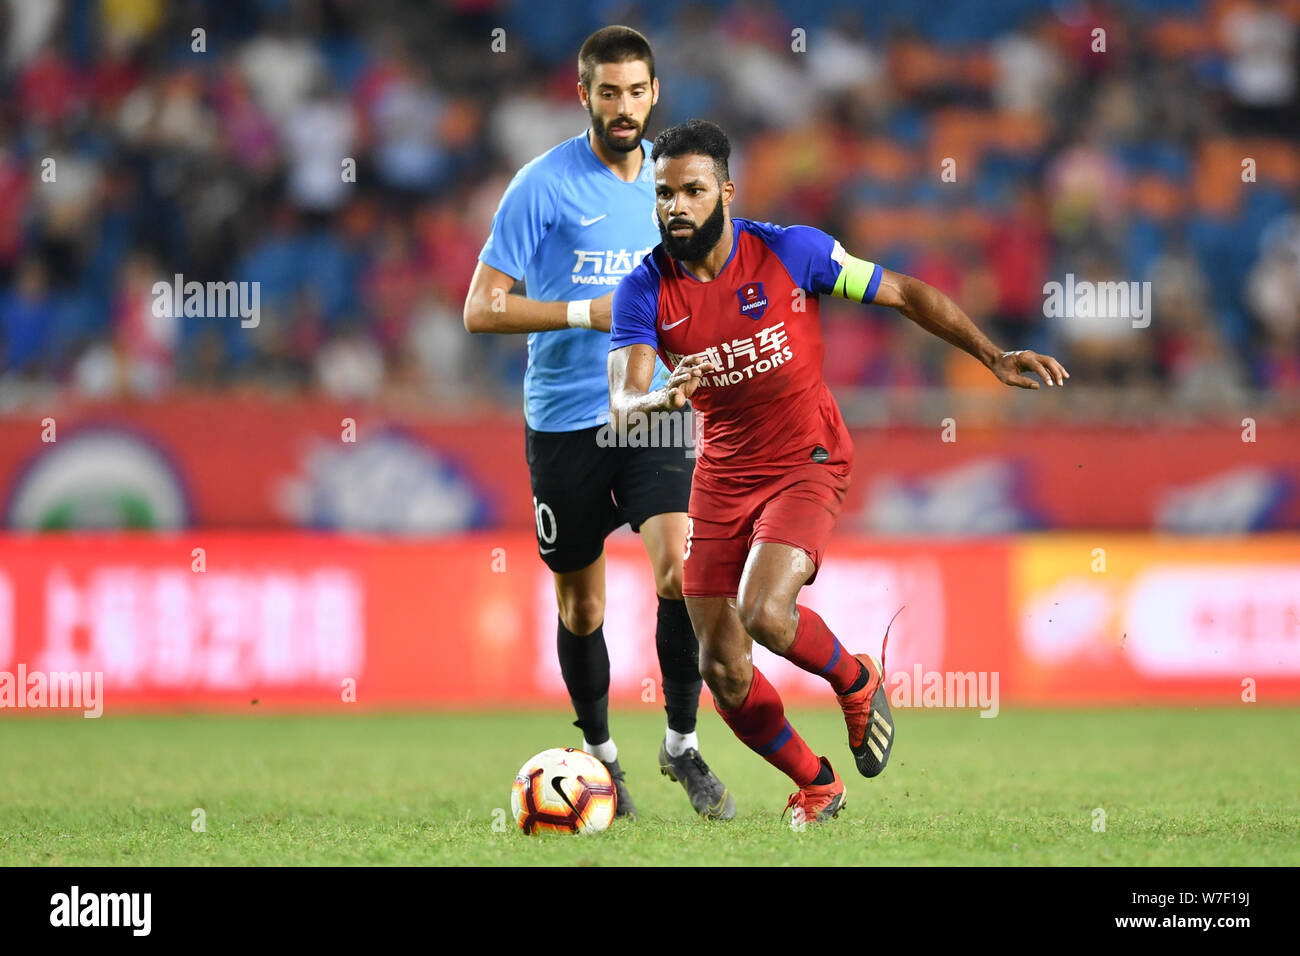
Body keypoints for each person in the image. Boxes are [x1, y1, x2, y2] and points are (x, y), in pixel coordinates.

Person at [608, 119, 1069, 822]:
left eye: (693, 191)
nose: (676, 206)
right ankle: (816, 783)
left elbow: (907, 293)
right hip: (722, 476)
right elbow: (622, 400)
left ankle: (855, 679)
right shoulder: (644, 289)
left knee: (765, 612)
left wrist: (991, 354)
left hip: (806, 458)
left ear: (725, 191)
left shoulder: (792, 252)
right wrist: (658, 397)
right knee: (721, 668)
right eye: (665, 194)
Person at [463, 30, 734, 821]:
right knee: (582, 608)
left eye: (636, 92)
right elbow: (481, 308)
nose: (623, 108)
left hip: (650, 415)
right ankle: (604, 759)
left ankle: (681, 744)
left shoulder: (674, 183)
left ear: (655, 95)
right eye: (607, 93)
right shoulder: (540, 186)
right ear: (583, 94)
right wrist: (590, 312)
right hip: (564, 423)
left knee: (681, 570)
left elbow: (710, 284)